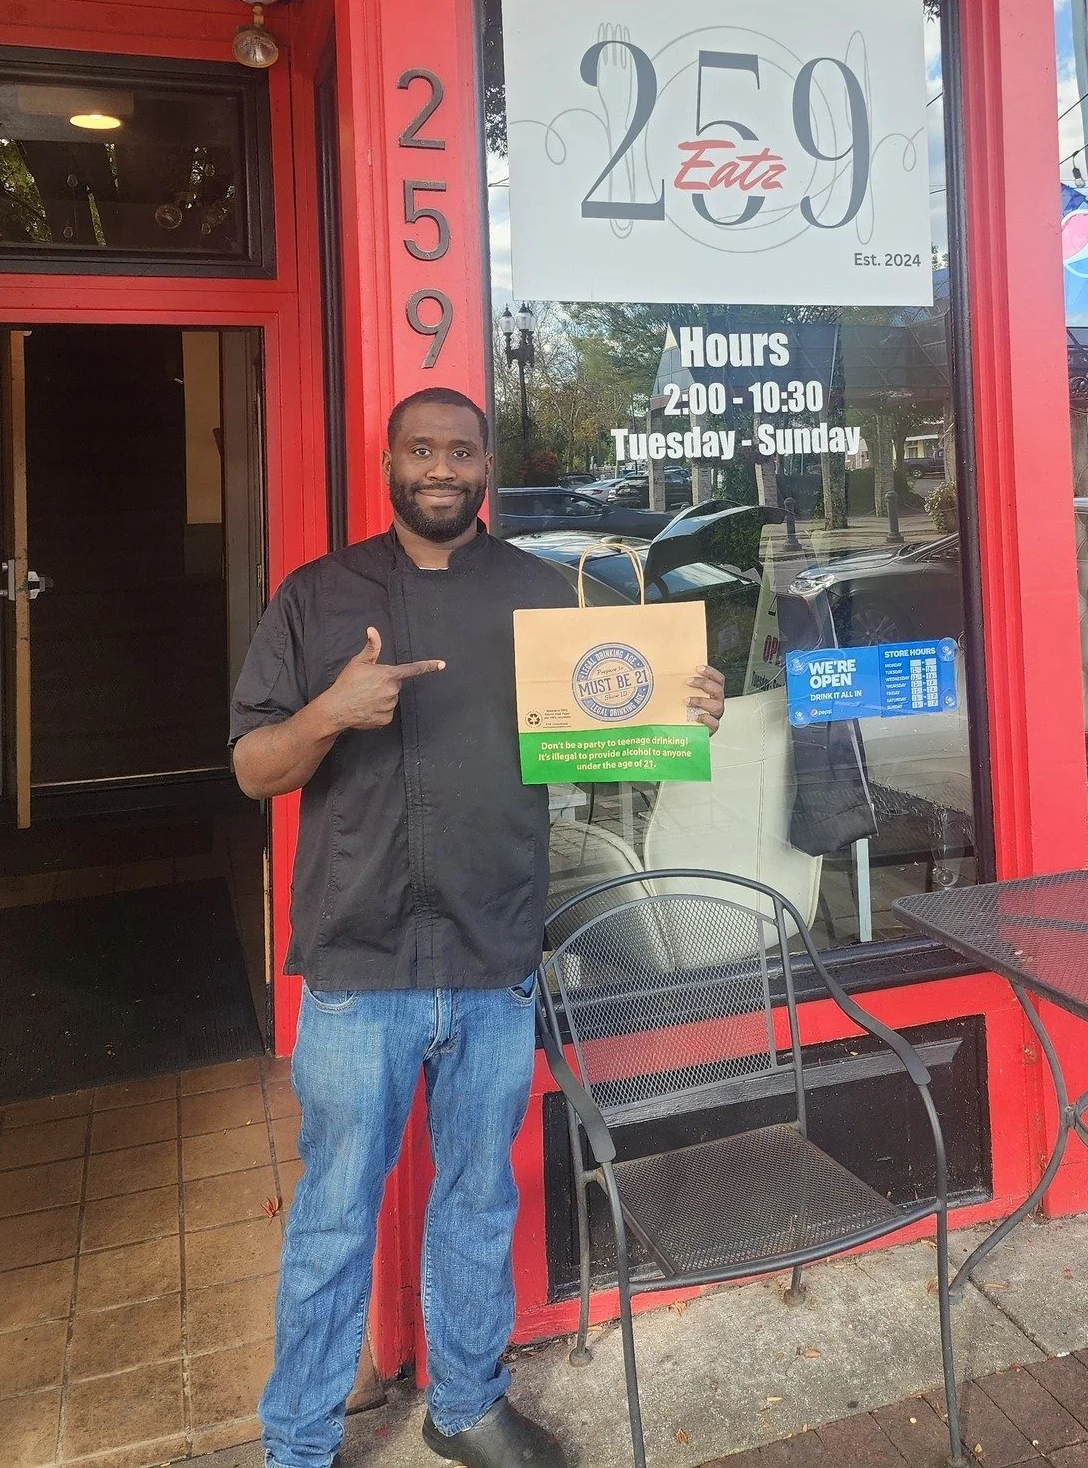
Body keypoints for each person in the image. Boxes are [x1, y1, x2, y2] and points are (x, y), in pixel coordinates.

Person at [231, 387, 726, 1468]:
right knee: (332, 1217)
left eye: (461, 451)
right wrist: (331, 712)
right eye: (422, 449)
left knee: (477, 1199)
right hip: (359, 964)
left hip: (496, 951)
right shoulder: (316, 597)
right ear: (389, 462)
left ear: (486, 465)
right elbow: (254, 770)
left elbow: (615, 723)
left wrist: (683, 710)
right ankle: (297, 1443)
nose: (442, 468)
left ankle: (465, 1405)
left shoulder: (542, 596)